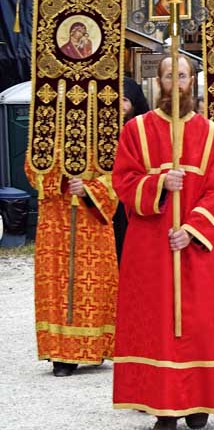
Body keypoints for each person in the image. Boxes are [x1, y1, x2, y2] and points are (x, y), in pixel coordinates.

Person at [112, 55, 214, 429]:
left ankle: (201, 400)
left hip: (195, 246)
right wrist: (158, 184)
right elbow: (123, 182)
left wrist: (193, 229)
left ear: (192, 81)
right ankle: (162, 406)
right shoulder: (135, 130)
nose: (176, 82)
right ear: (159, 82)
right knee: (156, 325)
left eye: (182, 75)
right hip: (150, 246)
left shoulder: (212, 134)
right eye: (169, 76)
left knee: (201, 323)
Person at [26, 125, 118, 378]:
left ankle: (94, 347)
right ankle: (60, 353)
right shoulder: (45, 130)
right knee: (57, 284)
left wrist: (89, 189)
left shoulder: (104, 131)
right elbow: (33, 170)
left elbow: (116, 174)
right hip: (55, 221)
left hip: (92, 222)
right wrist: (62, 180)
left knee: (93, 284)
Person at [114, 76, 150, 264]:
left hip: (133, 195)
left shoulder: (143, 129)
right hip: (107, 196)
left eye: (125, 99)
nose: (120, 105)